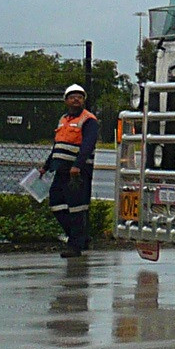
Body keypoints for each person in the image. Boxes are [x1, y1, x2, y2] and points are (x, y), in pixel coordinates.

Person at [41, 84, 97, 259]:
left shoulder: (89, 120)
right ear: (66, 100)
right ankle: (80, 237)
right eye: (72, 96)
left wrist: (77, 166)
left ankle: (75, 245)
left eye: (79, 96)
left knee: (77, 208)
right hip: (61, 170)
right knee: (56, 203)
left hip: (77, 173)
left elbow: (88, 145)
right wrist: (46, 166)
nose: (76, 99)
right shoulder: (63, 120)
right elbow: (58, 146)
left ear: (84, 100)